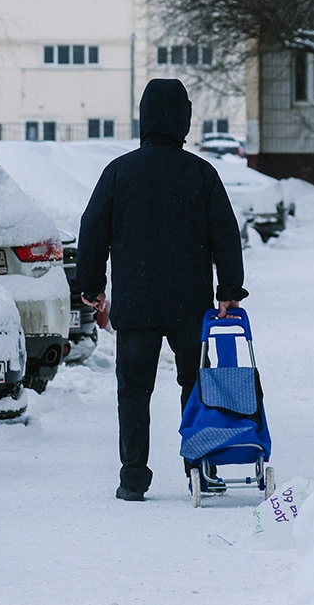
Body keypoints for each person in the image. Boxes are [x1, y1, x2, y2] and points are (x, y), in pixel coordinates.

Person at [75, 78, 249, 502]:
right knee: (196, 386)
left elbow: (92, 232)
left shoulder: (119, 172)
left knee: (134, 392)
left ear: (145, 118)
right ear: (184, 121)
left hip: (136, 305)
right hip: (189, 303)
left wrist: (92, 286)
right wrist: (229, 289)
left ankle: (133, 476)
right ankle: (199, 468)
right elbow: (226, 235)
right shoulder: (201, 173)